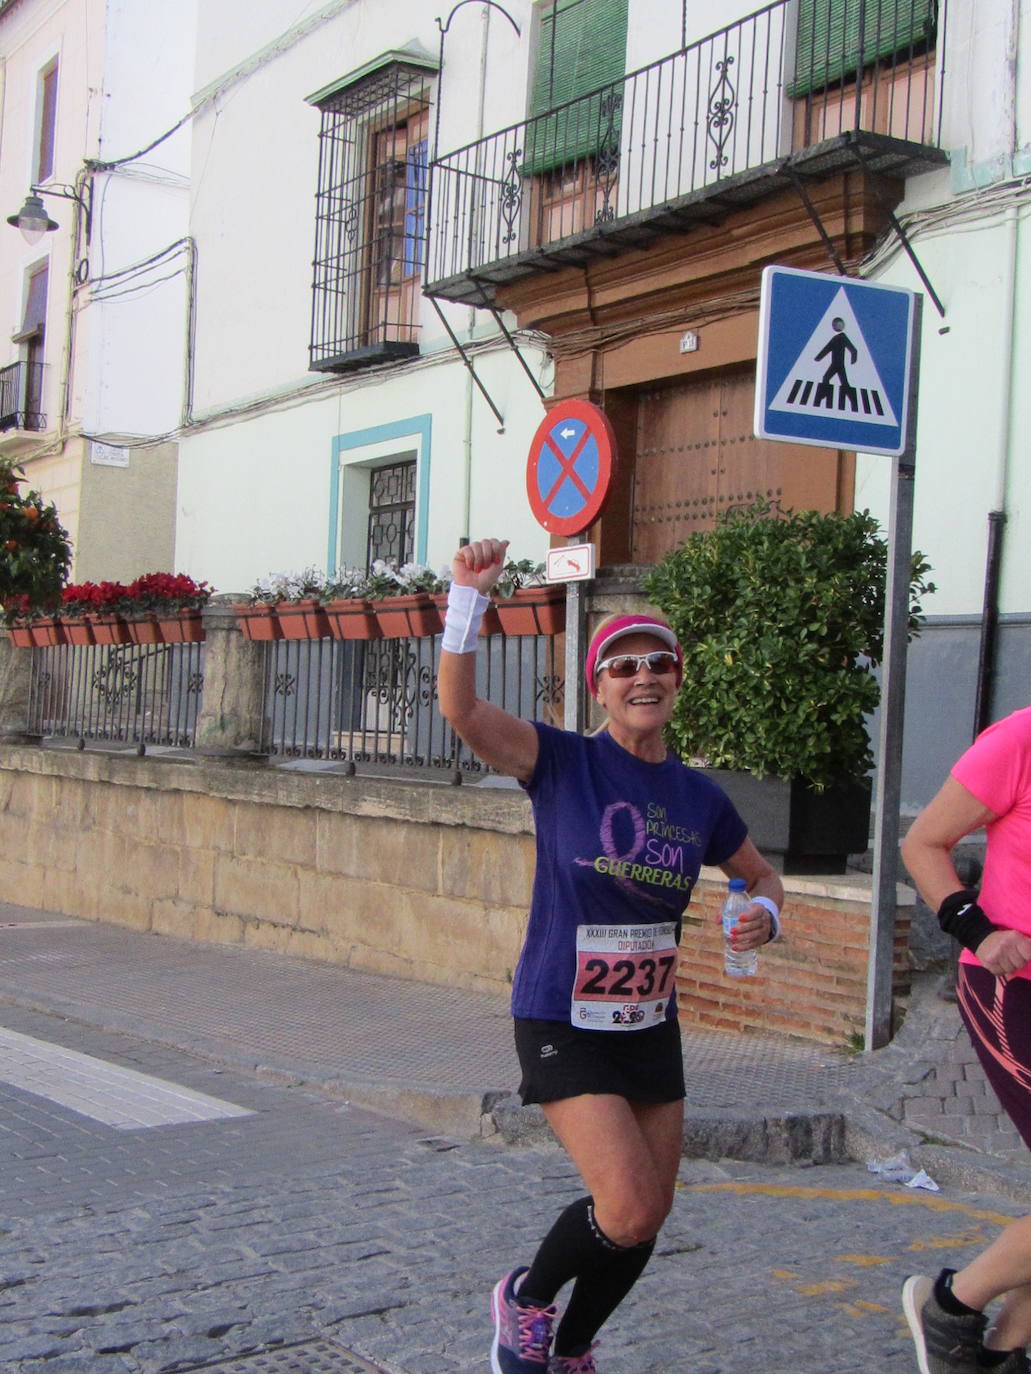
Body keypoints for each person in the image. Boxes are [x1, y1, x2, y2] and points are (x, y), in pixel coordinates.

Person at [437, 537, 785, 1374]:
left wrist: (762, 915)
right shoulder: (560, 761)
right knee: (624, 1206)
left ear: (676, 681)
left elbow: (761, 876)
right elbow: (462, 713)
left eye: (657, 664)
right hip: (560, 1012)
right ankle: (524, 1299)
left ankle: (573, 1348)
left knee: (650, 1214)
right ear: (598, 685)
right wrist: (466, 602)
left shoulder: (698, 796)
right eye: (623, 667)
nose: (642, 678)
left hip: (646, 1023)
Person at [901, 705, 1031, 1374]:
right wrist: (976, 930)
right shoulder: (1019, 738)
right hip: (1014, 989)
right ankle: (950, 1306)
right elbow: (921, 842)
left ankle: (999, 1356)